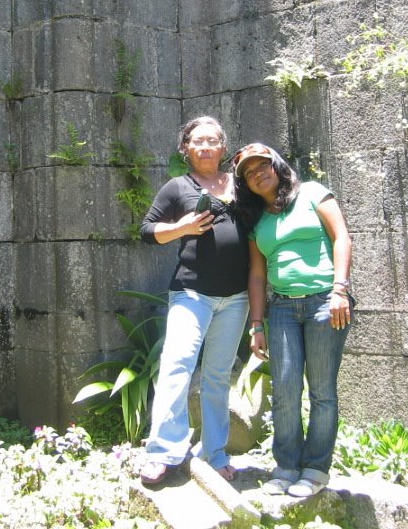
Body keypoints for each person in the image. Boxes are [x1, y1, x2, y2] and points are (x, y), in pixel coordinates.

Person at [232, 143, 354, 498]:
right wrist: (256, 325)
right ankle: (286, 467)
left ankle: (315, 469)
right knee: (285, 391)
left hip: (325, 303)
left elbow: (341, 237)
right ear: (246, 184)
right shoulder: (258, 220)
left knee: (322, 391)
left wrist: (340, 290)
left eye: (262, 165)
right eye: (250, 173)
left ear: (277, 165)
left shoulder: (314, 193)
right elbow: (257, 275)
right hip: (282, 308)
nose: (258, 173)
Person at [137, 116, 252, 486]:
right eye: (197, 141)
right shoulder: (177, 187)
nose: (204, 147)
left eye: (212, 141)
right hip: (191, 293)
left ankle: (214, 453)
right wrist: (182, 228)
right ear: (184, 148)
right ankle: (164, 453)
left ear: (223, 147)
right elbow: (147, 231)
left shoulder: (240, 184)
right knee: (176, 366)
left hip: (236, 298)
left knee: (218, 375)